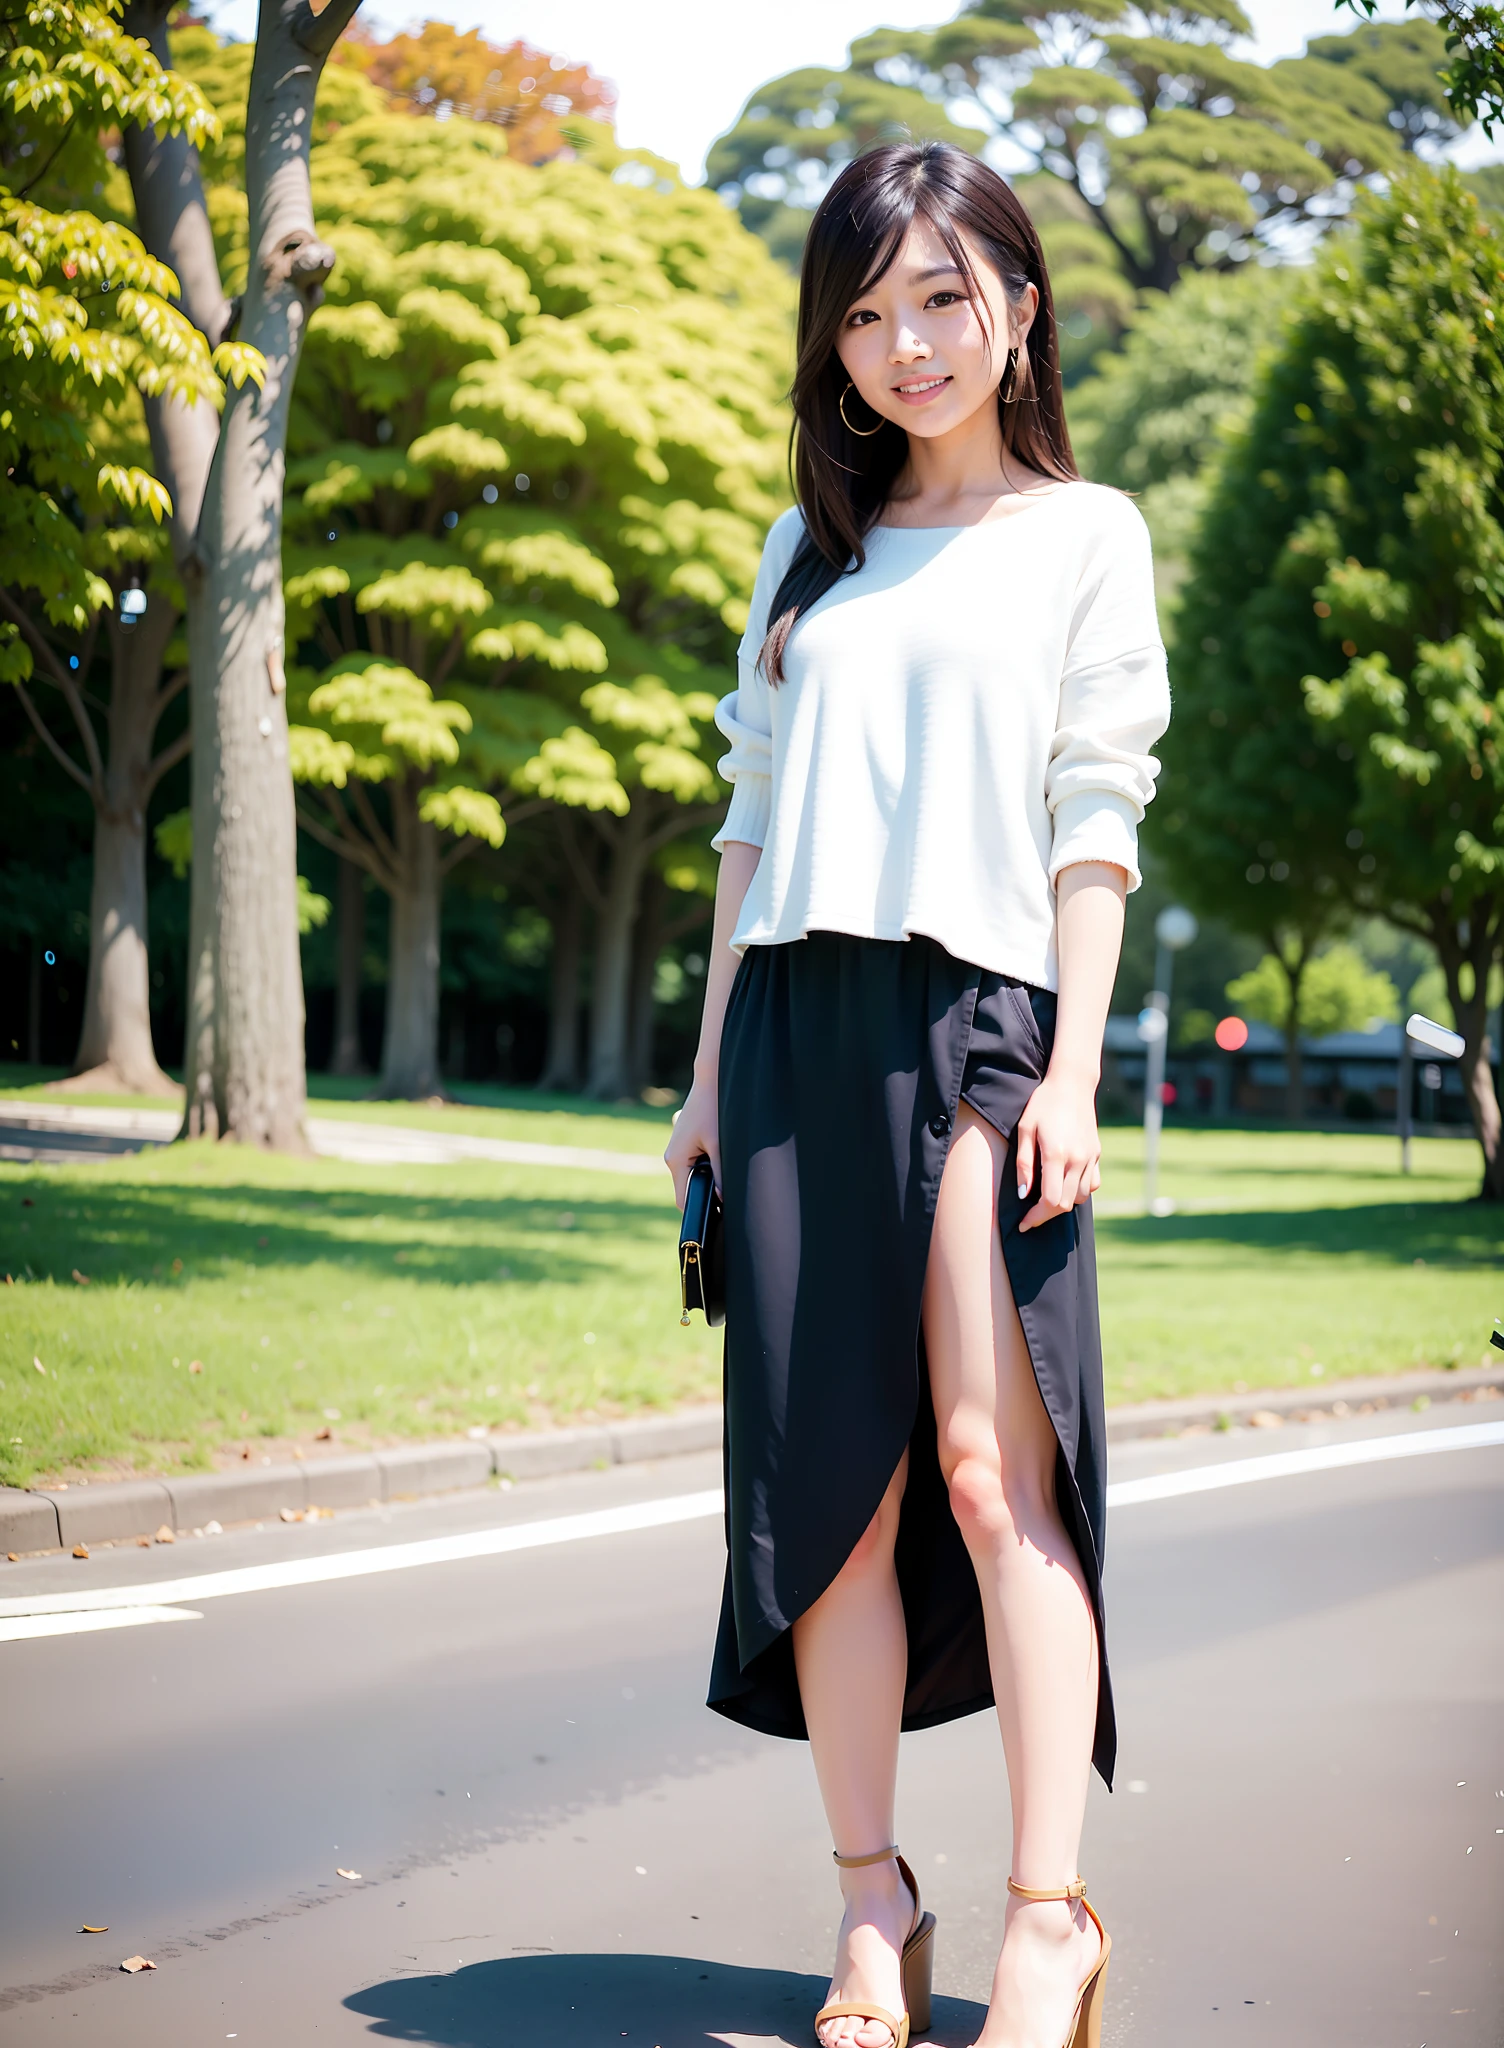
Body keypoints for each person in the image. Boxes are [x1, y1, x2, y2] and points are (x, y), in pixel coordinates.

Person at [665, 140, 1169, 2048]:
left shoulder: (1086, 533)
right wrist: (709, 1078)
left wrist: (1080, 1066)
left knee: (984, 1461)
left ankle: (1054, 1917)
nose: (906, 343)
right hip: (795, 1034)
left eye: (942, 298)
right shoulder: (812, 551)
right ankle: (873, 1906)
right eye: (864, 314)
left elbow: (1094, 817)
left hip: (986, 1021)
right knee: (833, 1509)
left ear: (1019, 308)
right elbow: (749, 821)